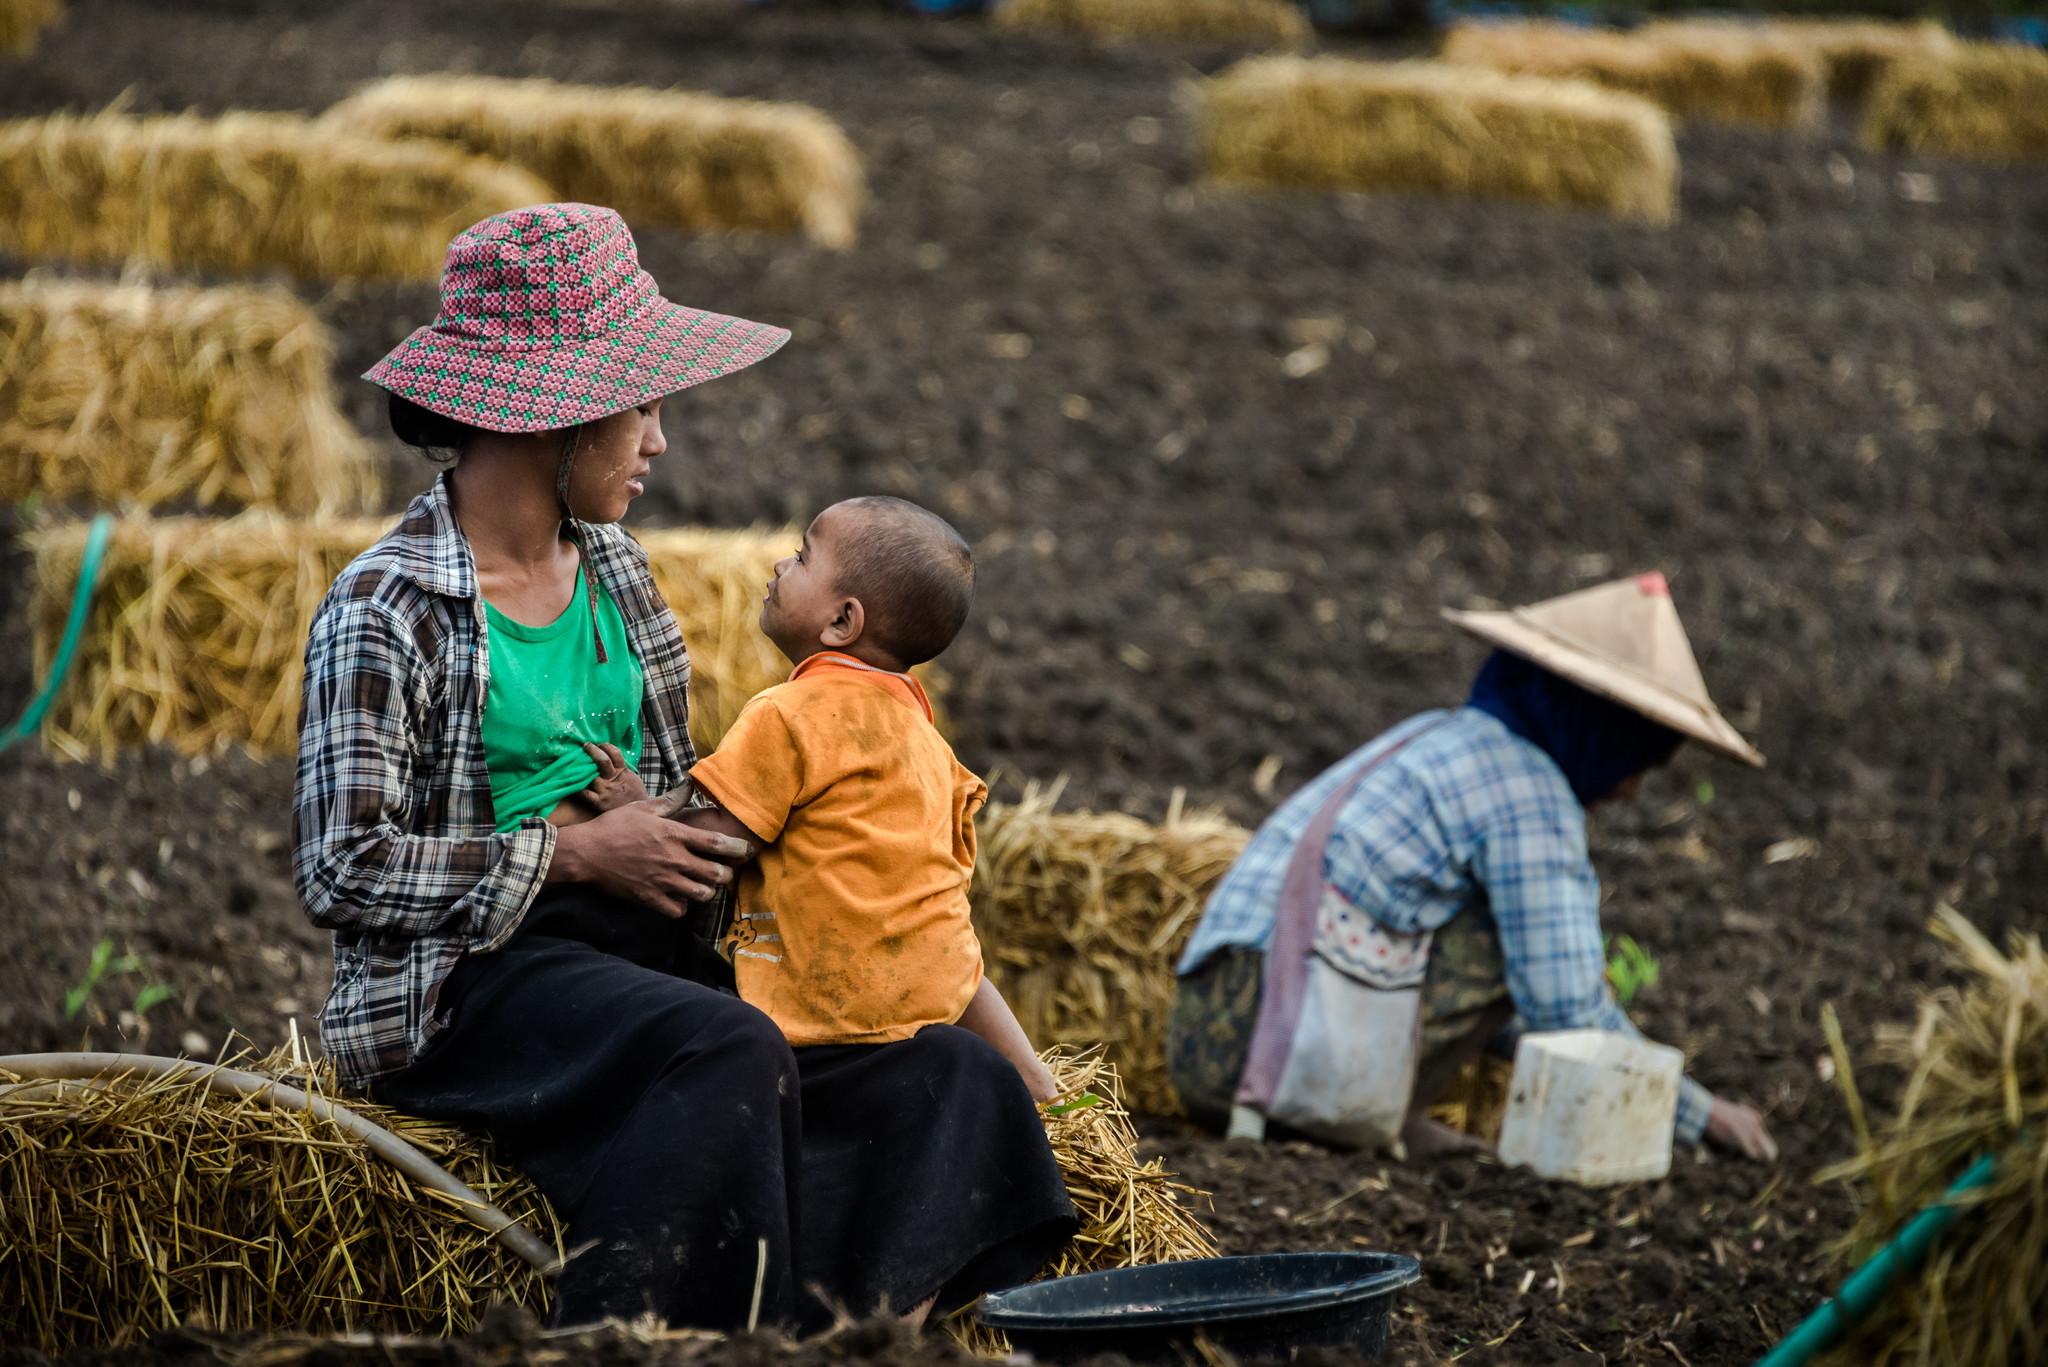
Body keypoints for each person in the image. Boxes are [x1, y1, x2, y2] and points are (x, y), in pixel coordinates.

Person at [292, 203, 1076, 1334]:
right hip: (476, 986)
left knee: (949, 1078)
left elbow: (681, 822)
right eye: (641, 406)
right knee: (725, 1045)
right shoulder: (388, 606)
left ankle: (846, 1340)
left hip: (643, 967)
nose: (658, 439)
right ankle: (631, 1345)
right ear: (552, 416)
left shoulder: (618, 575)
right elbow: (344, 866)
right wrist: (571, 852)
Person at [1166, 573, 1780, 1164]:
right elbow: (1566, 1011)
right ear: (1599, 729)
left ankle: (1396, 1119)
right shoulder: (1527, 790)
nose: (1629, 792)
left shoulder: (1436, 735)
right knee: (1517, 947)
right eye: (1636, 761)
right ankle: (1371, 1120)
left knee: (1512, 939)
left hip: (1207, 1032)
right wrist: (1700, 1114)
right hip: (1260, 1046)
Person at [561, 495, 1060, 1098]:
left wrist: (633, 811)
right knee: (955, 945)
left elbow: (719, 839)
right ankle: (1042, 1089)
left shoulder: (788, 713)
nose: (777, 565)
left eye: (801, 558)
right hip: (931, 988)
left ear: (843, 623)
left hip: (827, 1000)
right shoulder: (924, 734)